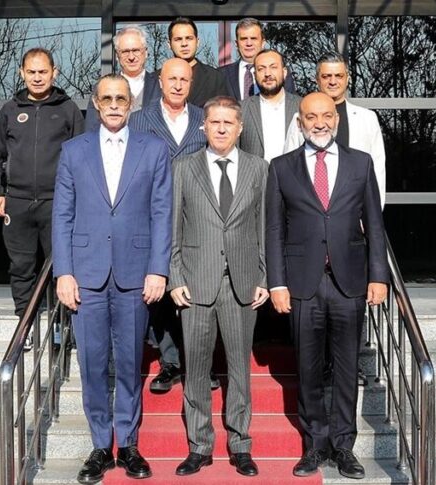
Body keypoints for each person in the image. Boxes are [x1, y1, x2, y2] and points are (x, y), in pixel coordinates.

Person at [53, 73, 172, 484]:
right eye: (108, 98)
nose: (116, 105)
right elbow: (62, 215)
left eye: (122, 98)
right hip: (85, 275)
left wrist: (158, 268)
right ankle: (101, 446)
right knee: (91, 364)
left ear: (131, 103)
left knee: (129, 362)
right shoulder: (73, 151)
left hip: (135, 273)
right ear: (96, 103)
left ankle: (130, 445)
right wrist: (64, 272)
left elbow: (162, 212)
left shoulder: (153, 149)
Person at [266, 93, 389, 479]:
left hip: (349, 281)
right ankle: (315, 445)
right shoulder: (281, 167)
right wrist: (277, 283)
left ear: (335, 119)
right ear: (299, 122)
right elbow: (273, 230)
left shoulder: (360, 163)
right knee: (308, 367)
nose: (319, 123)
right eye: (310, 117)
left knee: (347, 366)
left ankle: (344, 445)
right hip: (302, 284)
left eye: (325, 116)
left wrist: (378, 275)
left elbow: (375, 223)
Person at [169, 96, 269, 477]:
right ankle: (199, 446)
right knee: (196, 368)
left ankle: (241, 444)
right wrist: (175, 277)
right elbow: (172, 228)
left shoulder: (258, 168)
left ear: (240, 128)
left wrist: (264, 276)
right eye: (215, 122)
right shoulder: (183, 167)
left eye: (229, 122)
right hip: (195, 283)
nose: (222, 128)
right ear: (204, 126)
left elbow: (264, 226)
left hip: (242, 282)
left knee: (240, 370)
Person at [0, 48, 84, 323]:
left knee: (61, 266)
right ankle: (25, 322)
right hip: (17, 202)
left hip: (57, 203)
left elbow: (82, 158)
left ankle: (61, 324)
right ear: (22, 73)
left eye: (43, 72)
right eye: (31, 72)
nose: (37, 77)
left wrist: (78, 197)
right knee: (21, 266)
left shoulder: (68, 109)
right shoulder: (10, 110)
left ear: (54, 73)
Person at [130, 58, 211, 393]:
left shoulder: (205, 119)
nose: (178, 85)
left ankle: (200, 365)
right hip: (154, 215)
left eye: (184, 79)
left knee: (198, 291)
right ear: (160, 82)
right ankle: (171, 362)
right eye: (172, 79)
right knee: (160, 291)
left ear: (191, 83)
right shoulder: (139, 120)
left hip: (198, 217)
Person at [284, 51, 386, 207]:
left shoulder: (367, 119)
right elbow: (289, 169)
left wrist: (372, 212)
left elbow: (377, 170)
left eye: (339, 76)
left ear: (347, 79)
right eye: (326, 76)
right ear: (317, 79)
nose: (333, 81)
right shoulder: (299, 118)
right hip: (311, 212)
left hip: (355, 213)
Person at [85, 25, 161, 132]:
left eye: (136, 50)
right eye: (125, 51)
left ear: (146, 52)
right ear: (117, 55)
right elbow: (92, 130)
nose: (131, 57)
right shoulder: (101, 88)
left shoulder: (160, 86)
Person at [238, 48, 301, 161]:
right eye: (261, 69)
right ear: (255, 75)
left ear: (284, 72)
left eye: (273, 67)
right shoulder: (241, 109)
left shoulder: (302, 106)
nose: (267, 74)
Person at [220, 18, 296, 101]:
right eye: (244, 39)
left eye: (253, 38)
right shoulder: (221, 74)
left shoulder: (281, 72)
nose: (249, 43)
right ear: (237, 43)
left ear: (263, 42)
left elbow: (290, 103)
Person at [168, 17, 230, 108]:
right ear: (169, 44)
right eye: (178, 39)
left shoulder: (215, 78)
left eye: (189, 38)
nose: (184, 44)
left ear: (197, 42)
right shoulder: (155, 79)